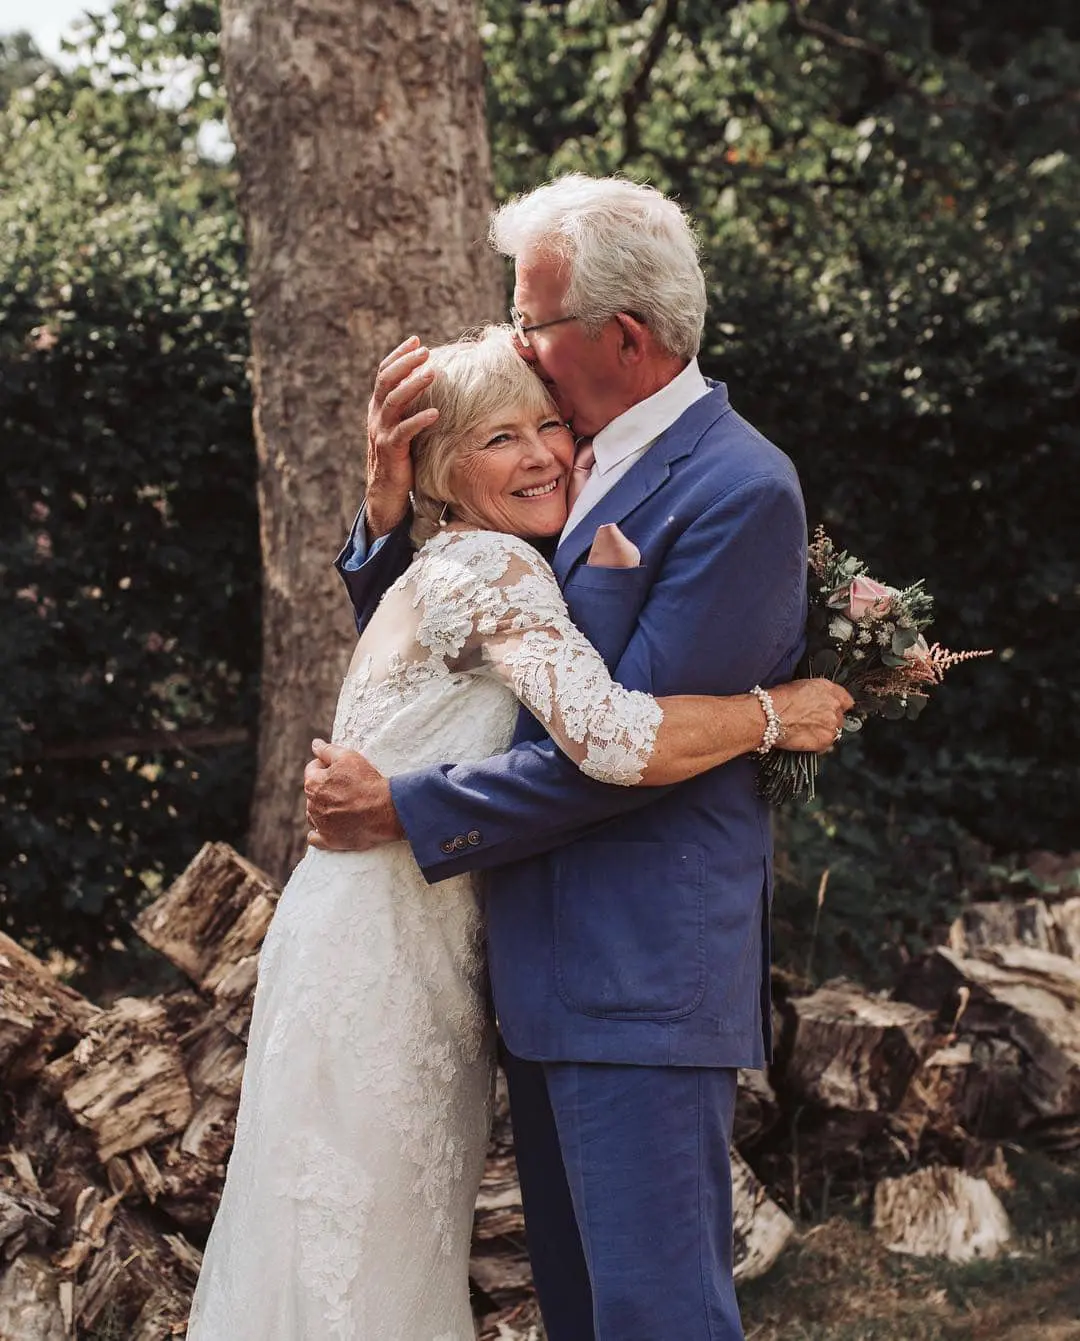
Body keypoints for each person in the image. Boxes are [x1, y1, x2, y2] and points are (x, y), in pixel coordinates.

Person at [186, 324, 849, 1340]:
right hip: (394, 950)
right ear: (443, 470)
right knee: (365, 1249)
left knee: (355, 1245)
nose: (542, 454)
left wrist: (386, 508)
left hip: (377, 935)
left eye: (550, 424)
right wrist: (776, 714)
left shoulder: (454, 559)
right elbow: (613, 739)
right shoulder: (495, 566)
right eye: (501, 438)